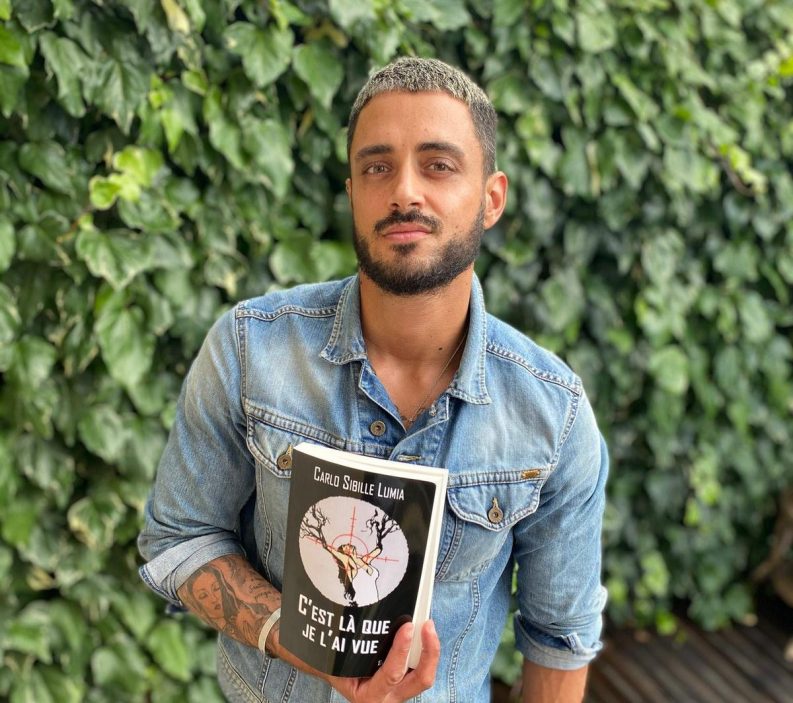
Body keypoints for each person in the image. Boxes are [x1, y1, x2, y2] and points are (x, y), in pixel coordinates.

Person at [138, 56, 609, 703]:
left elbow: (560, 638)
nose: (404, 191)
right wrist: (300, 638)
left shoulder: (551, 414)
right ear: (352, 193)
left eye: (438, 165)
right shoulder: (251, 348)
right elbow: (180, 535)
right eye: (377, 167)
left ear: (491, 198)